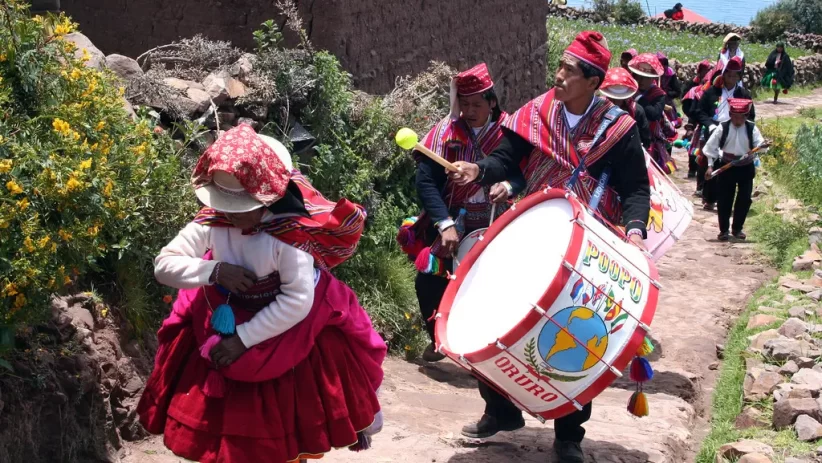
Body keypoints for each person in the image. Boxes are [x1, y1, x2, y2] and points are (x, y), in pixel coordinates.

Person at [447, 31, 650, 463]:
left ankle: (569, 434)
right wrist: (480, 170)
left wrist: (633, 233)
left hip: (590, 240)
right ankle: (500, 410)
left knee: (576, 330)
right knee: (493, 314)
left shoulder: (618, 129)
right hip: (532, 232)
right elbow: (507, 159)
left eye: (569, 70)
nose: (557, 76)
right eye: (559, 66)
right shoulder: (538, 113)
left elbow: (635, 189)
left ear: (593, 82)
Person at [137, 125, 387, 463]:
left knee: (287, 427)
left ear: (267, 195)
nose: (229, 214)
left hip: (288, 323)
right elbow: (164, 266)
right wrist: (213, 271)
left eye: (239, 206)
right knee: (226, 430)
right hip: (225, 306)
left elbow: (297, 300)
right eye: (225, 205)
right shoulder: (212, 222)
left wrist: (242, 339)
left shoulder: (290, 236)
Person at [400, 63, 525, 362]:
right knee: (429, 280)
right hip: (454, 218)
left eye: (477, 104)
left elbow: (522, 173)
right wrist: (444, 223)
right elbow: (426, 181)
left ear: (492, 102)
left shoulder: (509, 132)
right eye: (464, 104)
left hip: (497, 220)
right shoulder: (446, 132)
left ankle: (488, 348)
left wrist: (508, 186)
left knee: (493, 286)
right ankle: (439, 339)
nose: (469, 110)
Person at [703, 98, 766, 241]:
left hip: (746, 167)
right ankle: (723, 230)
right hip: (727, 166)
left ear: (746, 116)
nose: (738, 120)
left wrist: (763, 146)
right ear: (730, 115)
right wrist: (710, 165)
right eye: (735, 117)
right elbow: (709, 148)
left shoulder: (751, 128)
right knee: (725, 199)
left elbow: (759, 144)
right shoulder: (723, 128)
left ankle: (737, 229)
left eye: (741, 117)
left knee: (744, 199)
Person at [696, 56, 755, 211]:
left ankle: (726, 199)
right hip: (715, 129)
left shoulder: (743, 94)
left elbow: (751, 115)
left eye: (735, 75)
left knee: (729, 166)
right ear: (723, 74)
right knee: (712, 164)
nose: (731, 78)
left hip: (735, 131)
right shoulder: (711, 92)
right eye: (728, 75)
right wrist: (709, 125)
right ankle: (709, 198)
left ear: (739, 77)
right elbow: (701, 111)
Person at [629, 53, 677, 173]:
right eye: (638, 76)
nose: (641, 80)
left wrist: (639, 97)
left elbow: (654, 114)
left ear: (653, 78)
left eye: (646, 77)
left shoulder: (658, 95)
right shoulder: (627, 90)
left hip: (648, 139)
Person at [681, 60, 717, 180]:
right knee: (698, 152)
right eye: (704, 70)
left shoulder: (714, 93)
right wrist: (691, 125)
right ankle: (694, 173)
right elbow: (692, 108)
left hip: (713, 125)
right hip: (701, 125)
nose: (706, 72)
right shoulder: (695, 89)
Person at [600, 67, 651, 149]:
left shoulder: (637, 111)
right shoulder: (597, 108)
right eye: (612, 98)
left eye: (618, 99)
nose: (615, 102)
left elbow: (645, 138)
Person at [656, 52, 682, 128]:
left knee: (671, 122)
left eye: (663, 64)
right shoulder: (652, 72)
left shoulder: (670, 73)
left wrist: (667, 94)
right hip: (654, 98)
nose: (662, 67)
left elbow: (677, 91)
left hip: (667, 100)